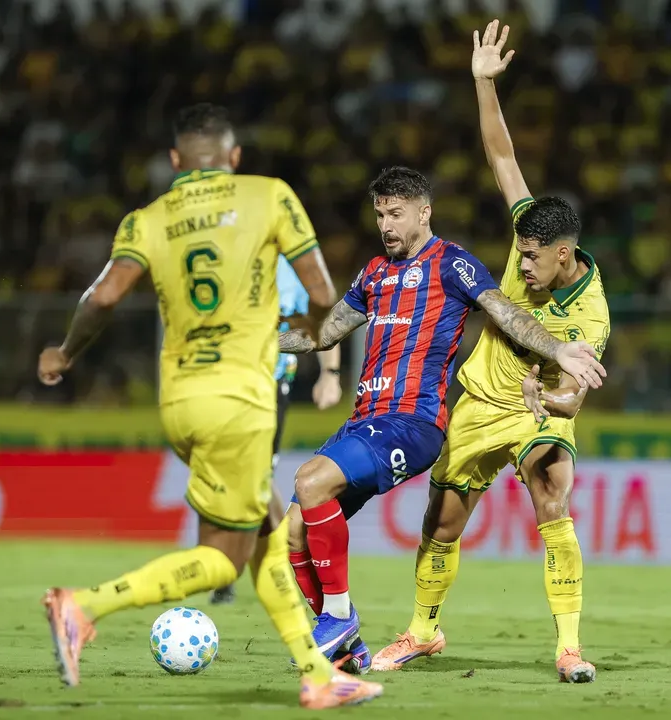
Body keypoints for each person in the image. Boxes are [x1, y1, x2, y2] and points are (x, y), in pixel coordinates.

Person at [36, 103, 383, 709]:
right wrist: (310, 332)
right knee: (224, 560)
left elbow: (104, 296)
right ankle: (83, 605)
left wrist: (65, 352)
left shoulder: (148, 217)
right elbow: (323, 291)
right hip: (240, 399)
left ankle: (318, 675)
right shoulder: (269, 195)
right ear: (235, 156)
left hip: (180, 400)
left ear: (176, 160)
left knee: (268, 530)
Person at [278, 165, 607, 672]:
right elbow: (323, 332)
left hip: (412, 421)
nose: (385, 225)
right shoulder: (373, 273)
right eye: (379, 214)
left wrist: (558, 350)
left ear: (424, 212)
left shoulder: (453, 264)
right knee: (293, 532)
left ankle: (341, 618)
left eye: (396, 213)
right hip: (368, 419)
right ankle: (348, 647)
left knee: (309, 480)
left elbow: (507, 313)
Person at [370, 21, 611, 684]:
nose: (521, 266)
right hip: (478, 401)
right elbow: (503, 157)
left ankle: (569, 648)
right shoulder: (530, 230)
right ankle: (423, 632)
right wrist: (483, 84)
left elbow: (574, 399)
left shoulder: (590, 315)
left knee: (553, 494)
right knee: (441, 523)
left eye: (532, 259)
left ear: (564, 254)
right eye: (519, 254)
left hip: (537, 413)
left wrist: (547, 399)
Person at [209, 255, 342, 606]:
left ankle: (272, 557)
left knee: (255, 478)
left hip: (267, 386)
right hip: (223, 386)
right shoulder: (222, 258)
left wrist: (329, 375)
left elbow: (322, 323)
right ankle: (247, 559)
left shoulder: (291, 270)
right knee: (234, 480)